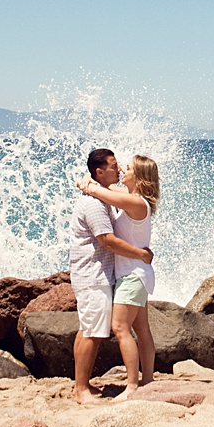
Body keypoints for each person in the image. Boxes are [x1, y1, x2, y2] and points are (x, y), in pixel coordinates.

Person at [69, 147, 153, 405]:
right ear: (100, 171)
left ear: (137, 178)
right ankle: (82, 388)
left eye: (124, 168)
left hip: (127, 274)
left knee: (107, 328)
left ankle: (134, 384)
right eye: (116, 166)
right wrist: (89, 185)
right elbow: (107, 240)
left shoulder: (129, 199)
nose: (120, 170)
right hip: (98, 275)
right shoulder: (100, 201)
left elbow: (102, 193)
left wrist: (89, 184)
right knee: (94, 330)